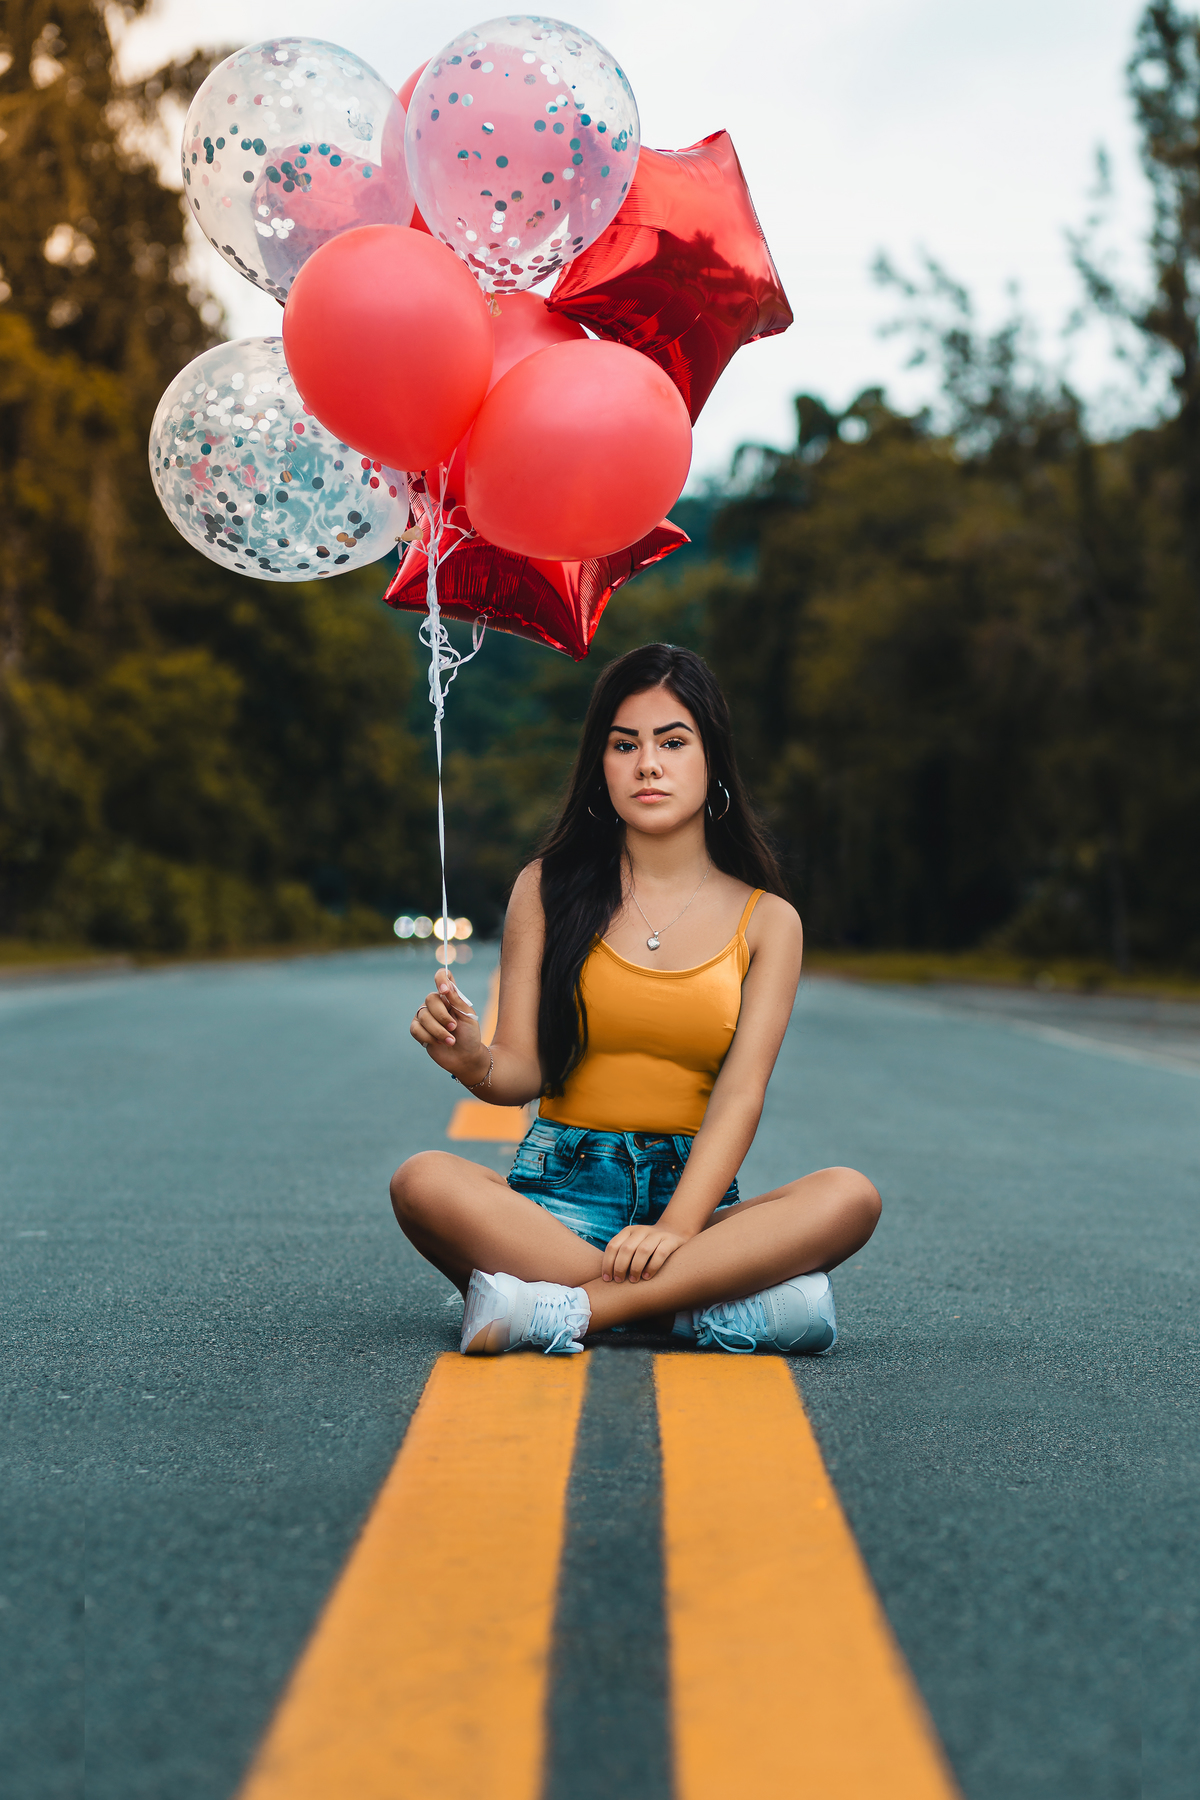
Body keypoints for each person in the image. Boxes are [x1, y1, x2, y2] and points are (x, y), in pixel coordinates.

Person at [391, 642, 881, 1356]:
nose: (648, 763)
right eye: (625, 745)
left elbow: (740, 1098)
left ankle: (566, 1312)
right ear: (602, 767)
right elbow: (520, 1072)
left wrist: (677, 1230)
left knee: (849, 1196)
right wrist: (469, 1060)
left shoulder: (769, 921)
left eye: (673, 742)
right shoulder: (547, 887)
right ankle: (694, 1312)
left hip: (694, 1206)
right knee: (422, 1180)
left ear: (712, 761)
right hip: (554, 1206)